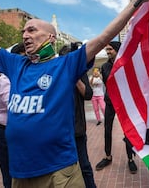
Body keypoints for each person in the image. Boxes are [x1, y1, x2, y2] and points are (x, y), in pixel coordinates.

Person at [0, 0, 149, 187]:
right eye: (23, 30)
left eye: (32, 29)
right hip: (21, 174)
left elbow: (103, 37)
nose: (25, 34)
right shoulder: (16, 65)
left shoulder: (66, 65)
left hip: (60, 172)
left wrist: (137, 1)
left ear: (51, 38)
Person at [95, 41, 138, 174]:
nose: (108, 52)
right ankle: (108, 156)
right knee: (107, 129)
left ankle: (130, 159)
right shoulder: (104, 67)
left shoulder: (126, 63)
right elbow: (107, 82)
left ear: (117, 50)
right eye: (107, 50)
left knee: (127, 131)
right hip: (110, 102)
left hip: (124, 102)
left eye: (110, 50)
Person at [59, 43, 97, 188]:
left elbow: (88, 94)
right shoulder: (56, 74)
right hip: (60, 130)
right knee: (63, 169)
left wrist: (74, 77)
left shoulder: (79, 73)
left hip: (77, 129)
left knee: (84, 166)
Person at [0, 43, 25, 188]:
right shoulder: (6, 80)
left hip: (18, 132)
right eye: (25, 59)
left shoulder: (21, 78)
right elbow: (14, 106)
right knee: (11, 175)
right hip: (4, 133)